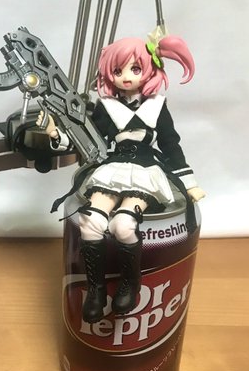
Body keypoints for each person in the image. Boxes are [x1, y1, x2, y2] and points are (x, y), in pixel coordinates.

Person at [40, 34, 205, 323]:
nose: (126, 77)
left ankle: (130, 284)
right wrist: (56, 134)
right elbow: (87, 139)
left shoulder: (157, 106)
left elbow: (171, 146)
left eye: (135, 69)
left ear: (149, 70)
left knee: (123, 224)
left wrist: (189, 183)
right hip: (113, 168)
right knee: (91, 223)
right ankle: (96, 290)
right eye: (118, 70)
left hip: (145, 172)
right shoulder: (106, 107)